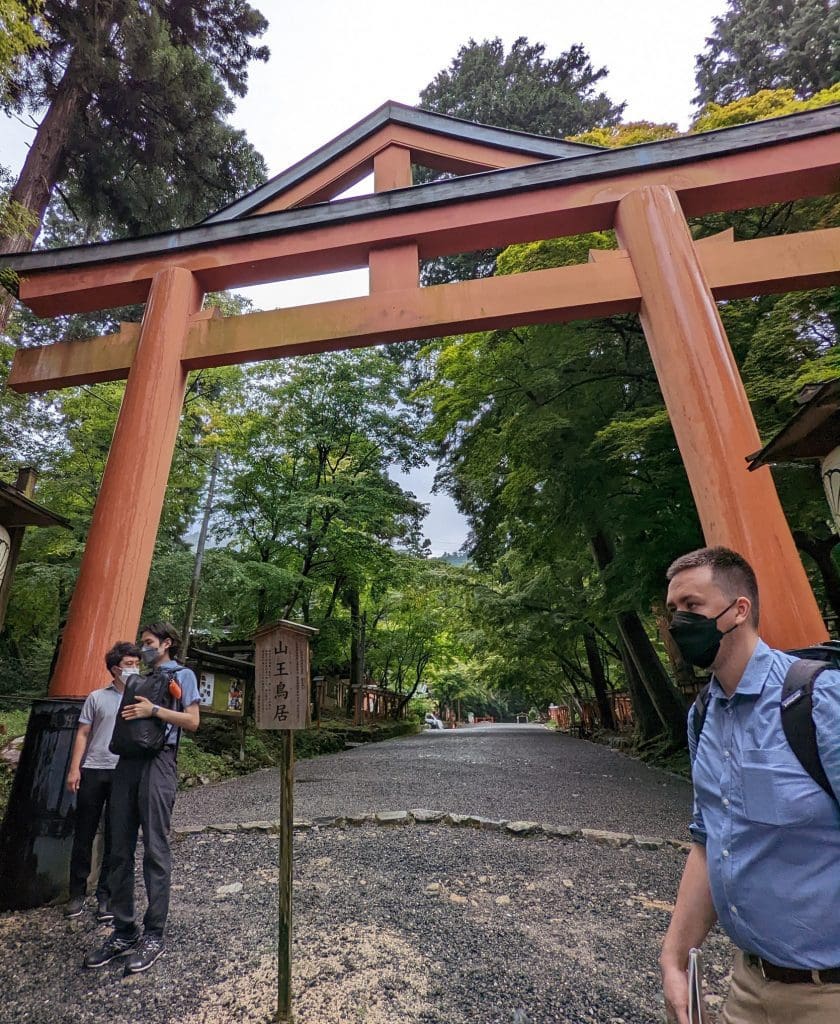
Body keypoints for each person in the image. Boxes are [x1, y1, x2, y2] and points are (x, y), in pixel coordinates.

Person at [661, 546, 840, 1024]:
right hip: (748, 985)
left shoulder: (818, 702)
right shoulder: (703, 717)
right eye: (673, 610)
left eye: (693, 607)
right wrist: (675, 956)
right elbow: (708, 839)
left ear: (738, 610)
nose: (679, 623)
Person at [84, 622, 200, 975]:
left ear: (166, 644)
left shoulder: (183, 674)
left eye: (149, 643)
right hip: (126, 763)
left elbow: (193, 721)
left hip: (159, 763)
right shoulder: (138, 677)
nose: (144, 648)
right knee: (119, 847)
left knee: (154, 847)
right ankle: (123, 929)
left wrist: (154, 711)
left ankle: (154, 933)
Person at [64, 641, 141, 922]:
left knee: (116, 835)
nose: (134, 668)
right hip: (95, 768)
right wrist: (75, 769)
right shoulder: (96, 697)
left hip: (123, 770)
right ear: (115, 669)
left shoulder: (141, 697)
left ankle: (105, 897)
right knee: (83, 832)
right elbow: (83, 733)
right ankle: (76, 893)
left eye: (136, 663)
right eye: (129, 664)